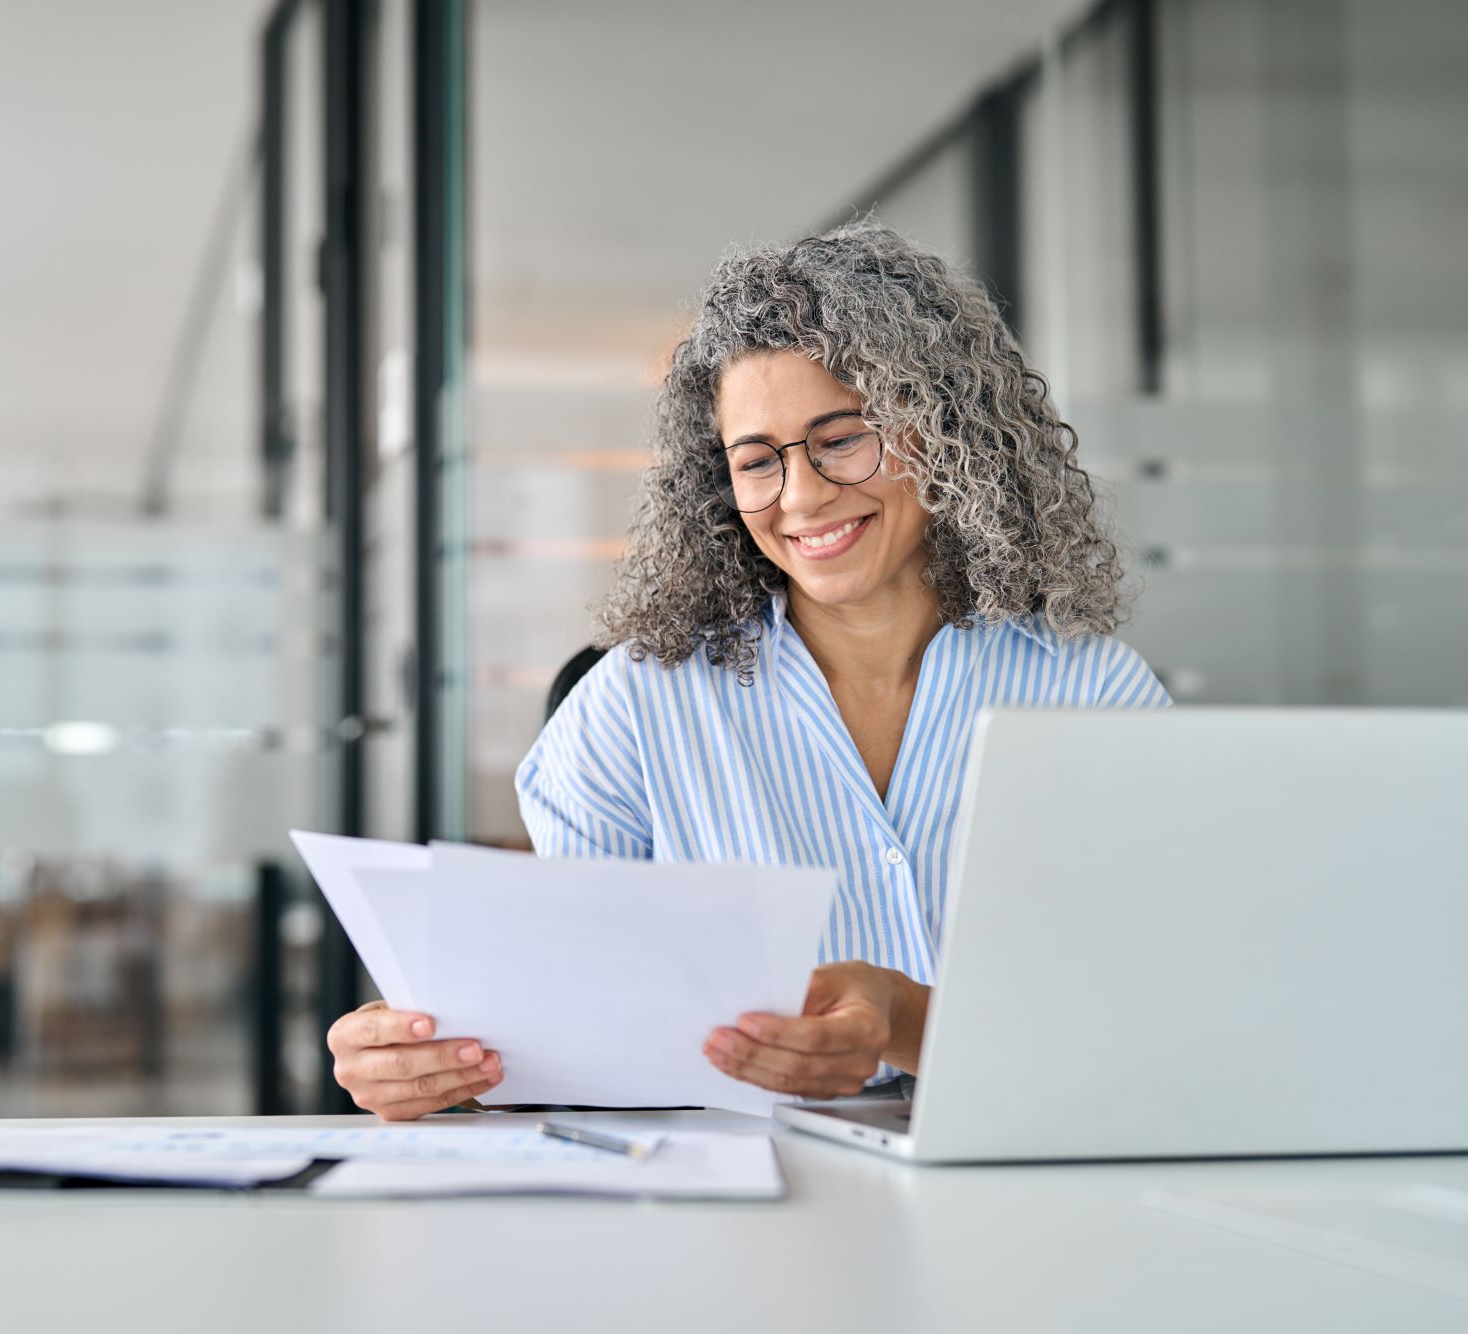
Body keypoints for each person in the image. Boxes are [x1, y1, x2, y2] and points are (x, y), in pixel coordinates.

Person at [327, 219, 1169, 1120]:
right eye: (757, 461)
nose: (801, 497)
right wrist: (434, 1060)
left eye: (844, 438)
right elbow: (577, 1034)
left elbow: (1161, 1010)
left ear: (944, 431)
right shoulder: (631, 709)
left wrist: (904, 1020)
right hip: (731, 1205)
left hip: (1030, 1179)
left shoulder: (1092, 694)